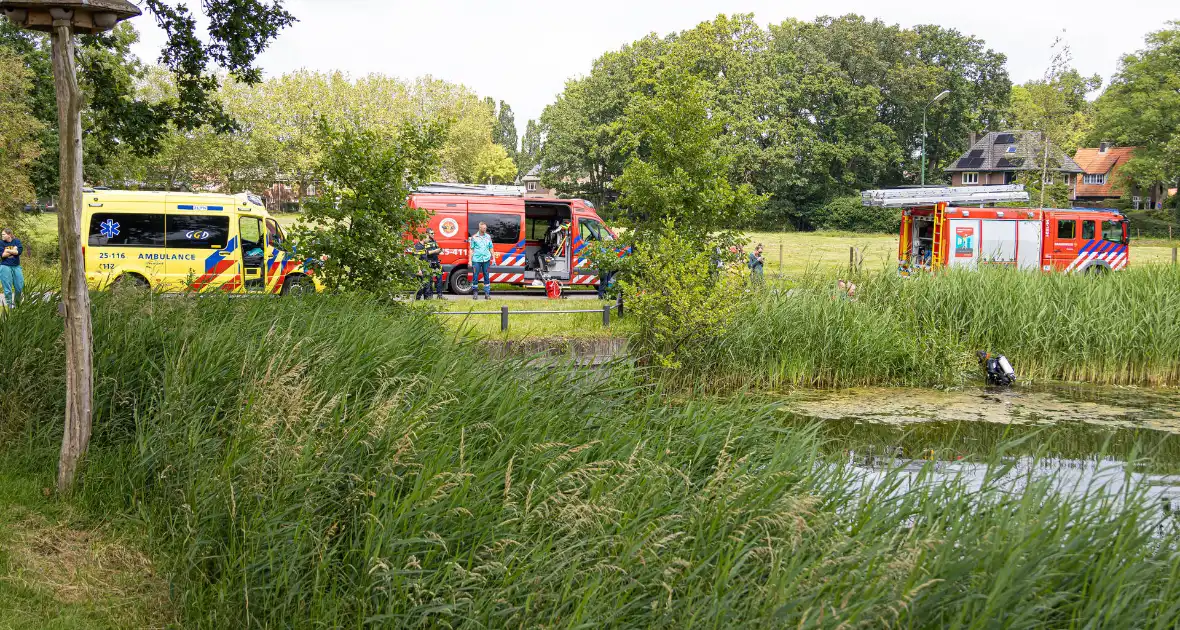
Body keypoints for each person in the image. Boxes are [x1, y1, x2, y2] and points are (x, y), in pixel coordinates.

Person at [469, 222, 496, 300]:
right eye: (484, 228)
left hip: (486, 260)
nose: (485, 229)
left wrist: (493, 258)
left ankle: (487, 294)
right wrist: (470, 261)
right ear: (480, 228)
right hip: (476, 260)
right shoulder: (474, 237)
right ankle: (475, 293)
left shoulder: (488, 237)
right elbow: (471, 249)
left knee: (486, 276)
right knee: (475, 276)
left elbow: (491, 248)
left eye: (485, 228)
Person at [1, 228, 24, 308]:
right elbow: (3, 255)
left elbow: (19, 252)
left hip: (16, 266)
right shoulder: (1, 243)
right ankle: (10, 307)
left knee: (19, 287)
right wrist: (13, 250)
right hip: (5, 266)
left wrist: (7, 250)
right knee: (7, 289)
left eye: (3, 234)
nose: (2, 236)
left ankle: (17, 305)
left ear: (9, 235)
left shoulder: (16, 241)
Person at [423, 228, 444, 299]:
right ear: (427, 234)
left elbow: (437, 249)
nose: (433, 234)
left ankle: (440, 295)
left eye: (434, 233)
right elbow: (426, 253)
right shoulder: (425, 242)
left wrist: (439, 251)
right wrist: (435, 251)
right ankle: (430, 296)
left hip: (436, 262)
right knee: (430, 280)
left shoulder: (434, 241)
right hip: (429, 263)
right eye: (432, 233)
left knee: (439, 278)